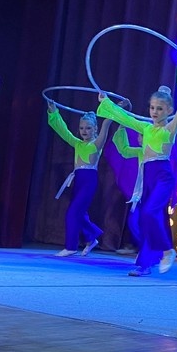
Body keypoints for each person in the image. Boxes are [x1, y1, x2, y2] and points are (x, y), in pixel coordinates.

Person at [97, 86, 177, 276]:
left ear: (169, 110)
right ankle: (146, 263)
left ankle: (167, 251)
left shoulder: (170, 129)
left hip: (163, 177)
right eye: (152, 108)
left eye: (160, 108)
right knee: (146, 219)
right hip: (147, 177)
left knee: (149, 212)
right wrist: (107, 102)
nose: (155, 112)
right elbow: (125, 118)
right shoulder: (145, 128)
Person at [46, 102, 113, 257]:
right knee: (79, 213)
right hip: (78, 181)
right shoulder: (77, 143)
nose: (84, 131)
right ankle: (91, 238)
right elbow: (63, 131)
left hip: (89, 181)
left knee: (72, 212)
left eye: (88, 128)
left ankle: (71, 246)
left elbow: (107, 122)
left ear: (95, 129)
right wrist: (54, 112)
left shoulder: (97, 144)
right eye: (82, 128)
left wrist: (114, 107)